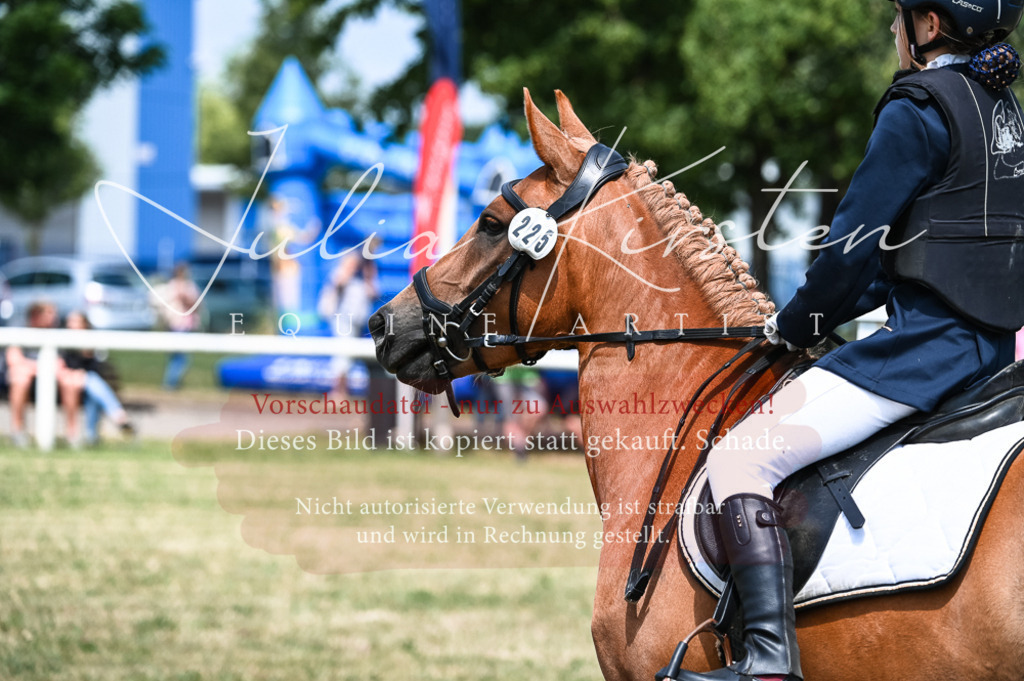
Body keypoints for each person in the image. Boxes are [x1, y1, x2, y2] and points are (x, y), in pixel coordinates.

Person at [672, 3, 1024, 681]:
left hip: (924, 355)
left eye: (897, 20)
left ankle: (768, 661)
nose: (892, 34)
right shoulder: (1005, 110)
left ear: (926, 24)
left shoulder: (916, 106)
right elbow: (926, 252)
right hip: (995, 353)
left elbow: (849, 252)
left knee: (742, 460)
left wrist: (796, 323)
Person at [5, 301, 83, 448]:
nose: (54, 317)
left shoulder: (58, 334)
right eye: (49, 313)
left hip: (53, 381)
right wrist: (41, 368)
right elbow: (14, 359)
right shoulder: (20, 331)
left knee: (71, 380)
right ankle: (18, 431)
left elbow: (60, 365)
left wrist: (35, 367)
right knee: (19, 377)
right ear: (35, 315)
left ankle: (72, 435)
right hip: (28, 381)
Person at [62, 311, 135, 445]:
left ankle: (92, 437)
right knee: (90, 382)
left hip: (86, 383)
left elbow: (94, 367)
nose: (72, 325)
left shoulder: (91, 342)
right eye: (70, 321)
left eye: (76, 322)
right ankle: (118, 415)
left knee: (92, 391)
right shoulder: (61, 340)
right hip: (67, 382)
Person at [160, 263, 200, 390]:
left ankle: (171, 383)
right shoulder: (171, 287)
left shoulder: (189, 286)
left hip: (186, 324)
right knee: (178, 357)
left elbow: (197, 304)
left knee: (180, 357)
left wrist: (187, 299)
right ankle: (170, 384)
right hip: (175, 324)